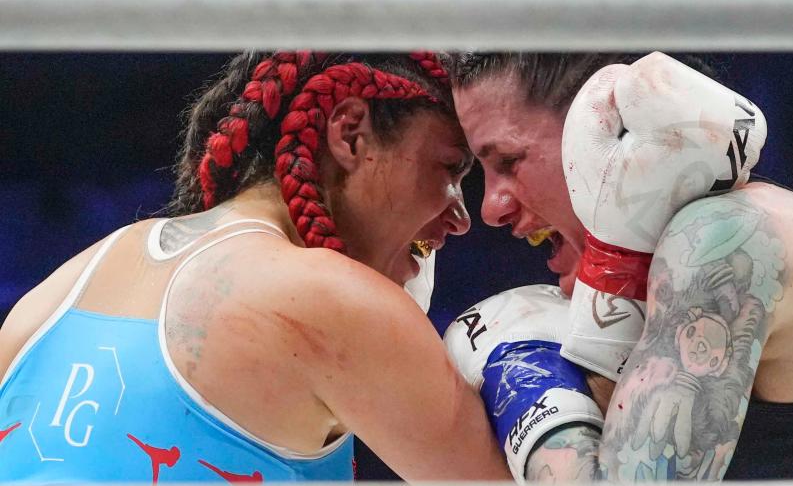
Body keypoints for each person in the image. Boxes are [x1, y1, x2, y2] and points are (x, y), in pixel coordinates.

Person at [444, 51, 793, 480]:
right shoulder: (681, 270)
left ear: (610, 131)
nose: (490, 207)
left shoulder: (724, 240)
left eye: (508, 161)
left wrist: (532, 386)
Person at [0, 51, 510, 482]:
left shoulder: (55, 292)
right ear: (351, 133)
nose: (462, 217)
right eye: (451, 168)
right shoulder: (328, 299)